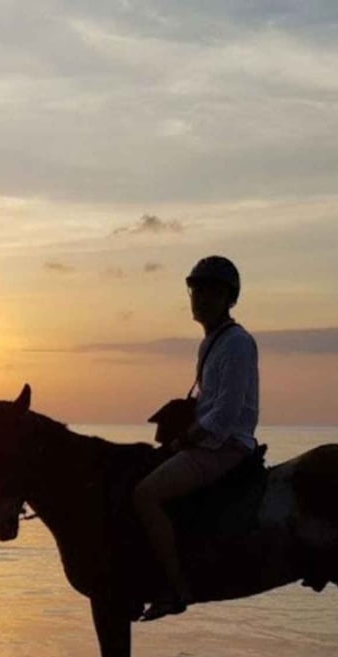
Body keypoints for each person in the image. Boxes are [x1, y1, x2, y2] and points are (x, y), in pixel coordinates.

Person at [132, 255, 259, 621]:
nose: (201, 297)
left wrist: (185, 438)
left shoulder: (236, 343)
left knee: (146, 496)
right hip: (209, 442)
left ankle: (175, 589)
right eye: (197, 289)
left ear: (229, 298)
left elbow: (225, 414)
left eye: (212, 291)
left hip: (224, 447)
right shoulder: (211, 343)